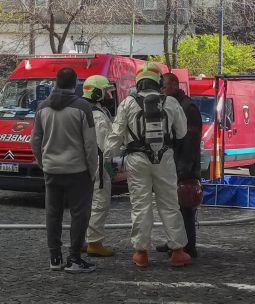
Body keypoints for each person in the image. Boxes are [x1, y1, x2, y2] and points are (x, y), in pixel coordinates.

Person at [104, 62, 191, 268]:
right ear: (158, 82)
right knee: (169, 204)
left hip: (136, 160)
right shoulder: (170, 102)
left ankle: (141, 253)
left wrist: (108, 158)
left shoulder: (127, 103)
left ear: (138, 82)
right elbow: (182, 133)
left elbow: (115, 136)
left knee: (140, 205)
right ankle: (178, 251)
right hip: (164, 159)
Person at [31, 67, 98, 273]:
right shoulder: (82, 107)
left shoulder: (42, 107)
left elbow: (35, 140)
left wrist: (43, 163)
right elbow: (90, 144)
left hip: (52, 169)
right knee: (80, 215)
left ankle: (55, 257)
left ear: (56, 82)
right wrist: (92, 170)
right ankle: (75, 259)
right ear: (75, 83)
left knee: (53, 214)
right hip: (77, 170)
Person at [156, 73, 202, 258]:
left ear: (174, 85)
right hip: (174, 162)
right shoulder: (171, 104)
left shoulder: (187, 107)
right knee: (172, 206)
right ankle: (174, 241)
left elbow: (190, 141)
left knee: (185, 206)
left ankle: (189, 245)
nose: (162, 90)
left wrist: (184, 166)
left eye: (164, 86)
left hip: (184, 164)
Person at [82, 75, 117, 257]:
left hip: (82, 165)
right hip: (98, 164)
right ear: (97, 93)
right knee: (99, 203)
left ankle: (83, 239)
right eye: (106, 91)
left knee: (84, 204)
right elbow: (106, 147)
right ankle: (94, 242)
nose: (109, 95)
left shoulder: (81, 110)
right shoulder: (98, 116)